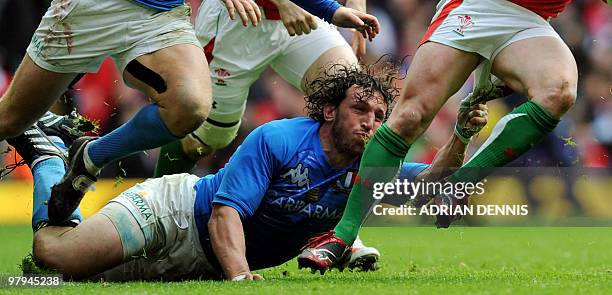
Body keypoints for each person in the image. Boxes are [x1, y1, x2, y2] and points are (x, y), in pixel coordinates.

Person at [16, 65, 488, 281]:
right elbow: (225, 214)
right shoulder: (279, 138)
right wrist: (242, 279)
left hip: (200, 266)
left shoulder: (373, 164)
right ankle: (49, 157)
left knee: (55, 280)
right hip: (173, 214)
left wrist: (462, 132)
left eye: (378, 115)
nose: (369, 122)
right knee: (55, 257)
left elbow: (430, 186)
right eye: (359, 109)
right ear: (328, 111)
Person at [298, 0, 606, 271]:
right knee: (411, 116)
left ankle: (460, 183)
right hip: (474, 8)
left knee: (559, 91)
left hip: (529, 23)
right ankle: (342, 236)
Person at [151, 0, 382, 267]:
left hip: (306, 12)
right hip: (238, 19)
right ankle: (157, 212)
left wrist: (356, 9)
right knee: (202, 138)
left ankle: (339, 235)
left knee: (350, 99)